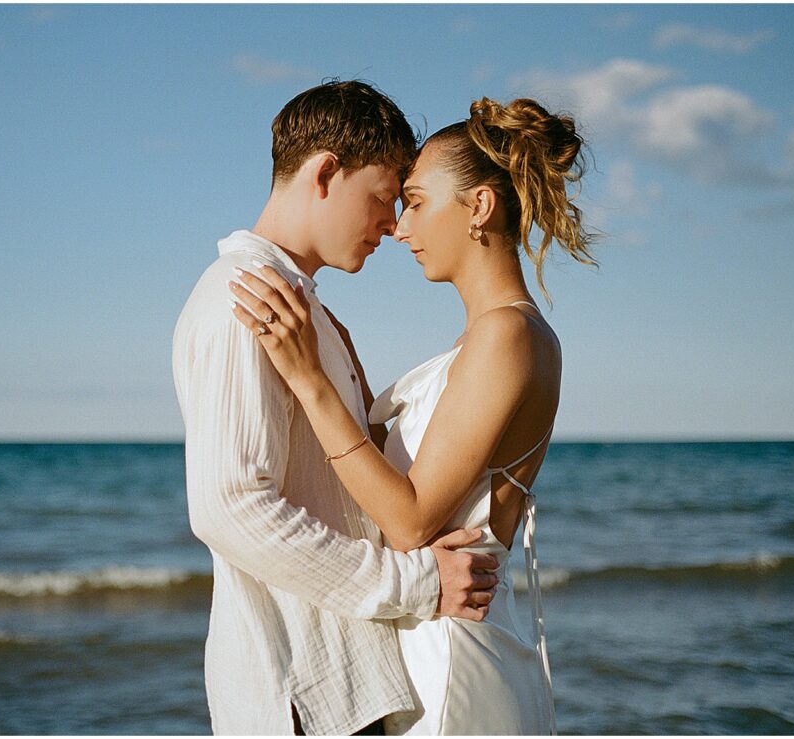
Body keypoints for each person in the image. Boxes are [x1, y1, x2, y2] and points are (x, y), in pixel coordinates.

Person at [228, 96, 596, 735]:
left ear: (478, 207)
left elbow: (409, 520)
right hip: (431, 636)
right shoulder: (480, 341)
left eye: (418, 201)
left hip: (453, 653)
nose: (400, 227)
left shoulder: (507, 336)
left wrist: (313, 381)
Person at [172, 81, 501, 737]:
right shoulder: (248, 302)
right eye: (384, 196)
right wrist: (415, 583)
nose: (392, 223)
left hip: (334, 693)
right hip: (299, 698)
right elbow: (230, 504)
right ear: (326, 171)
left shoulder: (298, 306)